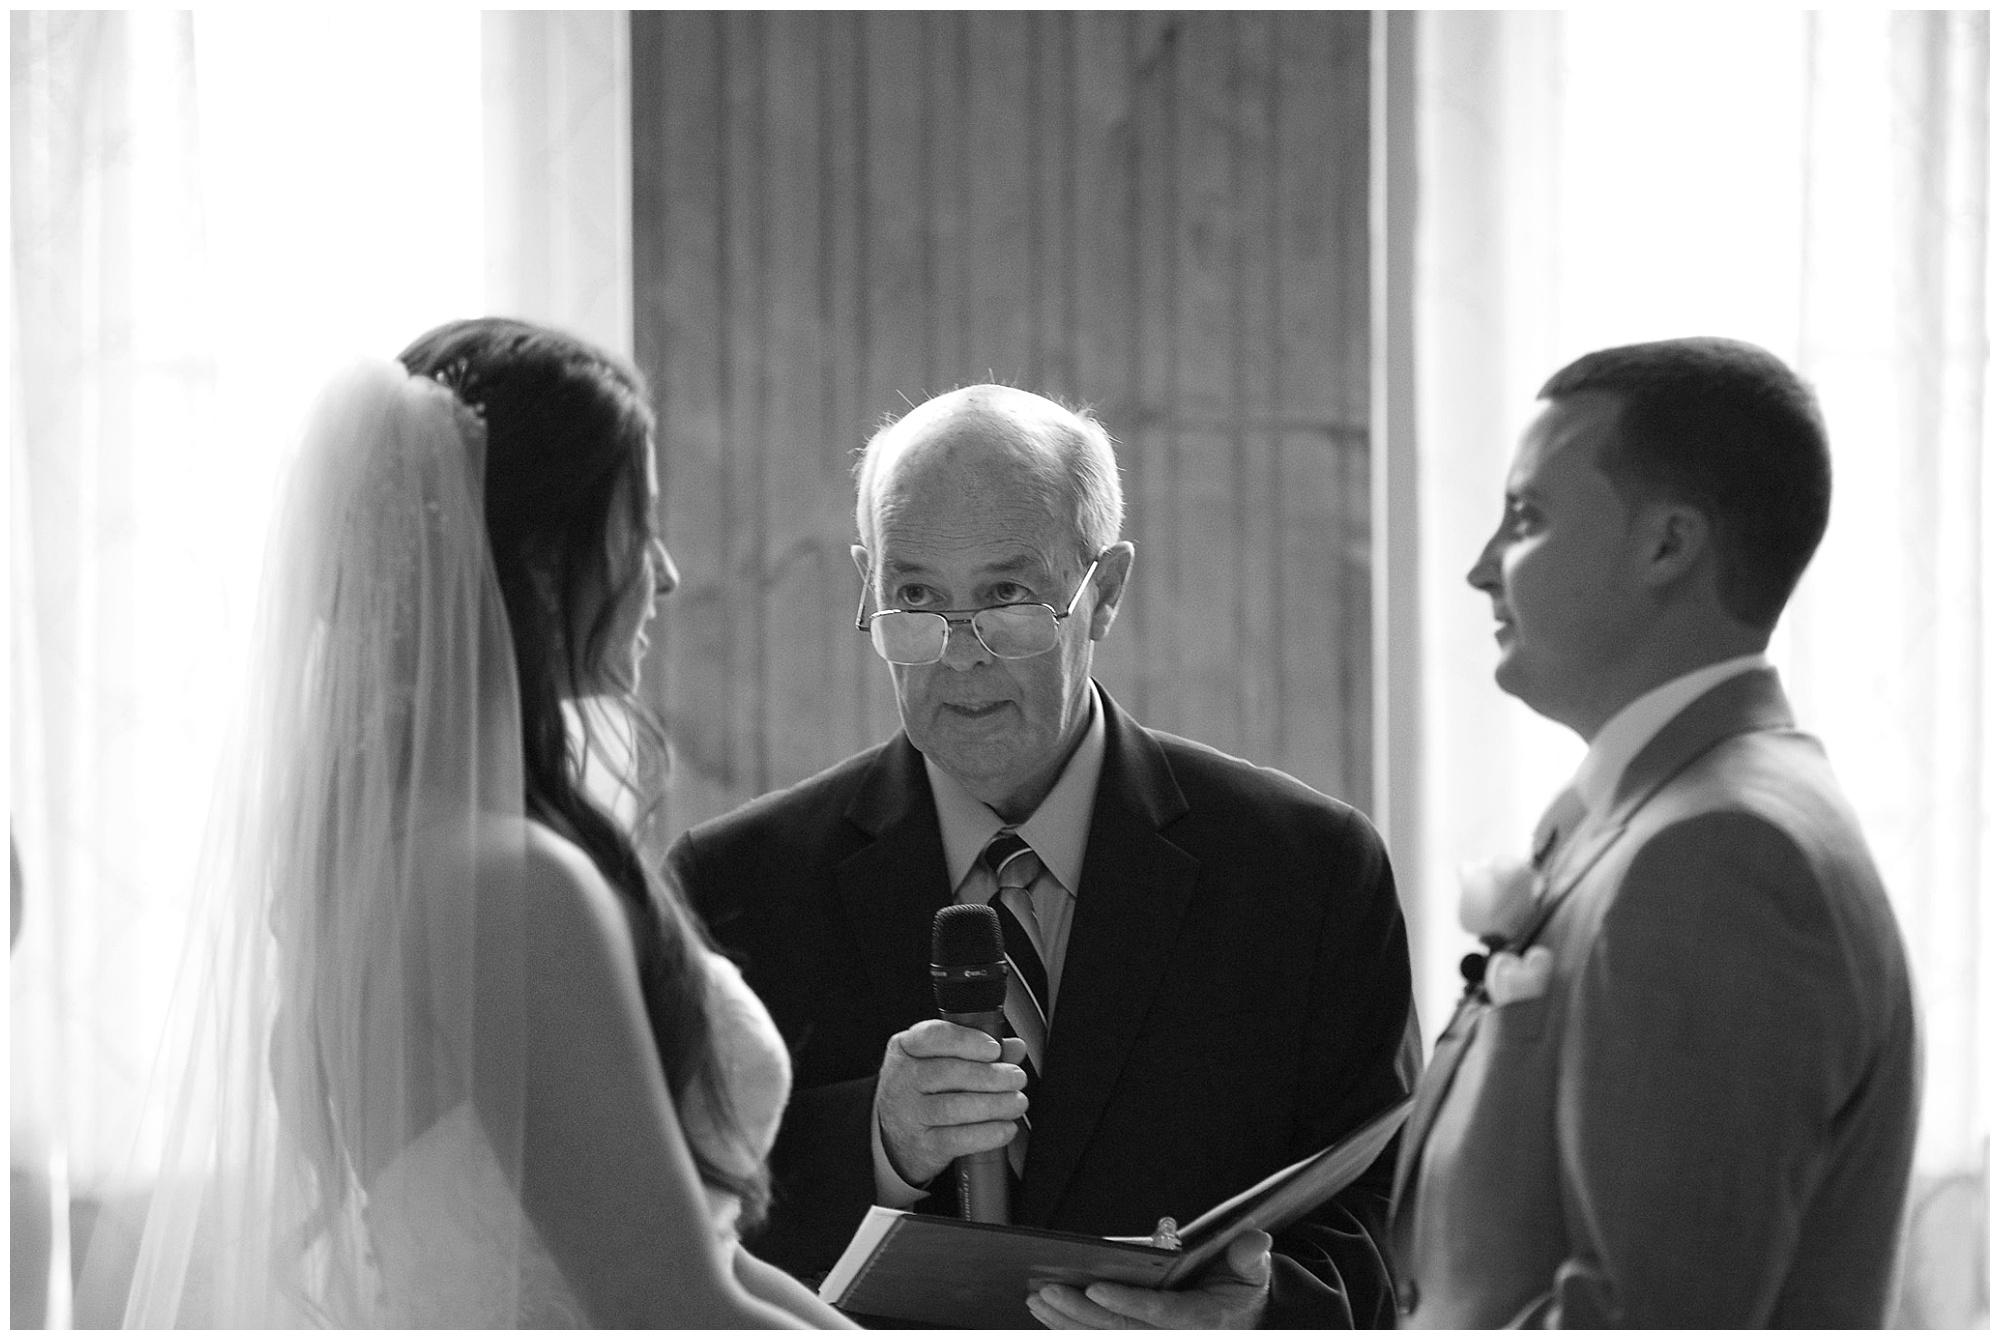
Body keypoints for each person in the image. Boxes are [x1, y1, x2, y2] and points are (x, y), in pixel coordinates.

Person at [92, 319, 854, 1328]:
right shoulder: (511, 882)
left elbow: (702, 1253)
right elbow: (664, 1301)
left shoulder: (392, 859)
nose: (665, 571)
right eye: (641, 522)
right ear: (542, 557)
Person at [669, 384, 1419, 1327]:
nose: (960, 654)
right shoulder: (736, 884)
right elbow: (666, 1237)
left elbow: (1395, 1227)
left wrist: (1259, 1314)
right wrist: (877, 1141)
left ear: (1103, 594)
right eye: (915, 597)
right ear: (865, 587)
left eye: (1007, 597)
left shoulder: (1308, 873)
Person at [1389, 337, 1920, 1326]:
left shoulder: (1719, 855)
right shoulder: (1668, 814)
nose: (1477, 568)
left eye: (1524, 517)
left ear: (1667, 544)